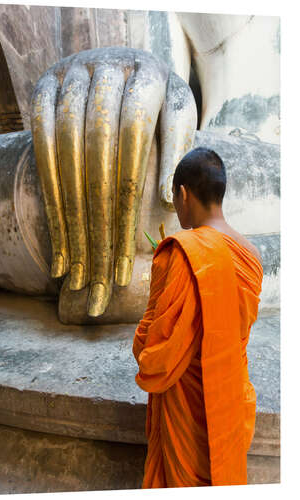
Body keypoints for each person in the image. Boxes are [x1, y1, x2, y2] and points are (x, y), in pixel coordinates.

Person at [132, 147, 263, 487]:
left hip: (188, 410)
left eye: (175, 200)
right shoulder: (251, 256)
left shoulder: (181, 253)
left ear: (183, 193)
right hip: (231, 399)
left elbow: (154, 350)